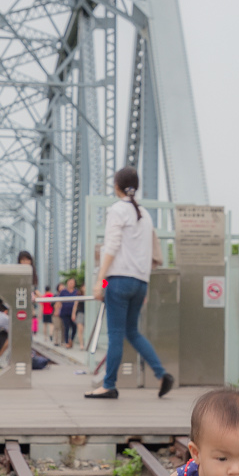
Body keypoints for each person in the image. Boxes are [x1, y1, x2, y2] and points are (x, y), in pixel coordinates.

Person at [85, 166, 173, 399]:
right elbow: (147, 252)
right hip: (140, 283)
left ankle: (109, 385)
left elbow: (111, 248)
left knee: (115, 334)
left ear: (116, 186)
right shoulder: (144, 215)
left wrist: (99, 282)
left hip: (118, 281)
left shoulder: (117, 210)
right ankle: (161, 373)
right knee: (132, 332)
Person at [59, 277, 78, 348]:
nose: (71, 284)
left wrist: (74, 313)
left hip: (73, 312)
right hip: (65, 312)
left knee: (74, 327)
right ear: (67, 283)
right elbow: (59, 301)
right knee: (66, 327)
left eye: (72, 283)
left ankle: (71, 340)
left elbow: (77, 302)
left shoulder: (76, 292)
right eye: (70, 283)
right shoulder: (63, 292)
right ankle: (67, 342)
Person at [72, 283, 86, 350]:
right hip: (80, 313)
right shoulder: (79, 294)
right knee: (80, 329)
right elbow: (75, 304)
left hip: (88, 314)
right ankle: (81, 344)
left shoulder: (89, 293)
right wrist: (73, 314)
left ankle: (86, 343)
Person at [52, 281, 65, 346]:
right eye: (61, 287)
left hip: (63, 313)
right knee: (57, 327)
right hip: (56, 314)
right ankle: (56, 341)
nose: (62, 288)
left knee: (63, 327)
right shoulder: (55, 296)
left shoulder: (65, 295)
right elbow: (52, 304)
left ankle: (62, 341)